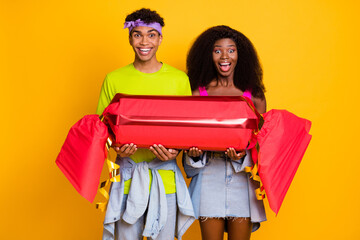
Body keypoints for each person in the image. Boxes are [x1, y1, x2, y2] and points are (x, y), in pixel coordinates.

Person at [96, 8, 194, 240]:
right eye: (137, 34)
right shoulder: (114, 79)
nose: (144, 41)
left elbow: (188, 129)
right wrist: (115, 147)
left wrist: (174, 152)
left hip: (165, 181)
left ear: (160, 38)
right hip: (127, 181)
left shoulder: (179, 80)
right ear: (130, 38)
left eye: (151, 34)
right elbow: (101, 130)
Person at [183, 25, 267, 240]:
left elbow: (261, 145)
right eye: (217, 50)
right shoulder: (196, 94)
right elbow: (186, 136)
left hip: (242, 180)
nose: (224, 56)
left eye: (231, 50)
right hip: (208, 177)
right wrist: (193, 153)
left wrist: (243, 157)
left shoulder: (254, 96)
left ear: (240, 55)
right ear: (208, 55)